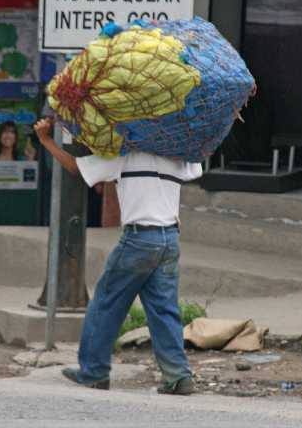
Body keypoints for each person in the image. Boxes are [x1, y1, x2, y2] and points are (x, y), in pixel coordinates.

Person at [33, 118, 202, 395]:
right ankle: (178, 376)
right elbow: (197, 165)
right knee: (164, 309)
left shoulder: (126, 155)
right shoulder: (178, 155)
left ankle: (94, 372)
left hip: (140, 239)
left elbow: (76, 167)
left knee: (106, 304)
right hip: (170, 240)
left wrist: (47, 141)